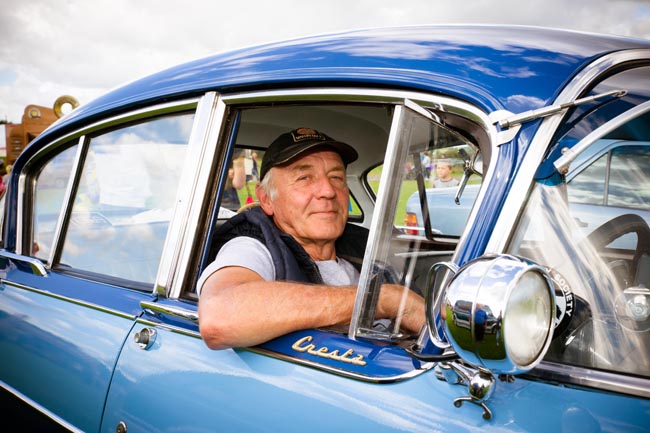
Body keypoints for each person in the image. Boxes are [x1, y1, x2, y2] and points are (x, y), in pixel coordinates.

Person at [198, 127, 425, 350]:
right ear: (266, 199)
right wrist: (384, 300)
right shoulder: (252, 247)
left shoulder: (367, 245)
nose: (328, 191)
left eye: (336, 177)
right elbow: (219, 317)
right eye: (304, 178)